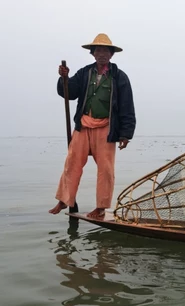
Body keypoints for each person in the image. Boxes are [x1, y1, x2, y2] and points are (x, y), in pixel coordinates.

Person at [49, 33, 136, 219]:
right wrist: (64, 78)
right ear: (93, 53)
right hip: (83, 125)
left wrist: (125, 134)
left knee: (105, 169)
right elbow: (69, 92)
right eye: (98, 50)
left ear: (111, 55)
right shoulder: (84, 73)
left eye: (105, 50)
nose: (102, 54)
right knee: (72, 162)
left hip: (106, 127)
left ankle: (101, 207)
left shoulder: (119, 77)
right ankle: (65, 200)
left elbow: (127, 106)